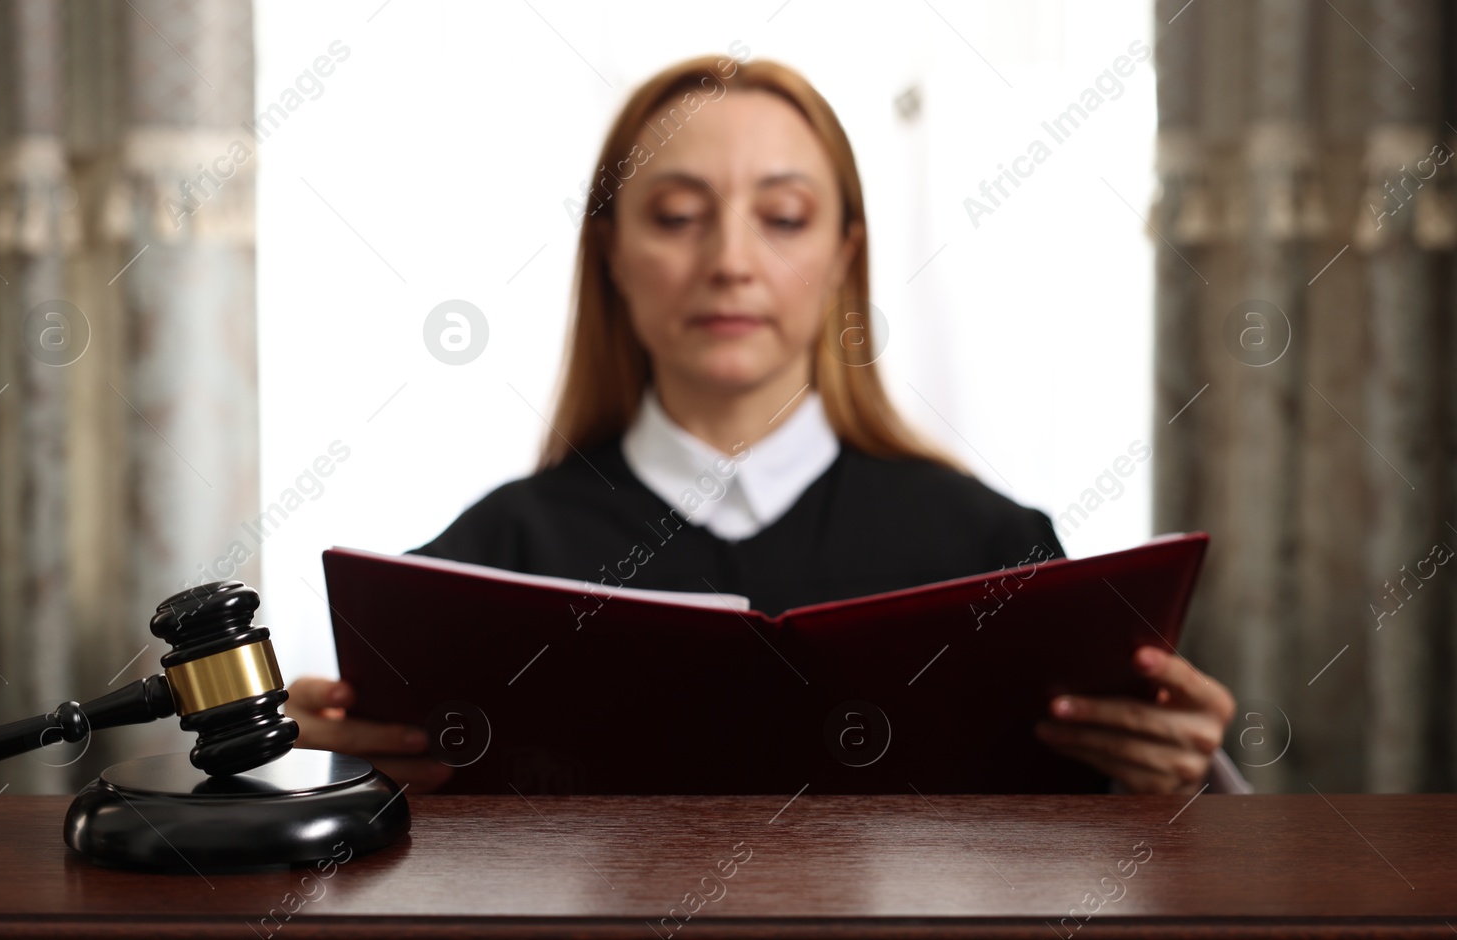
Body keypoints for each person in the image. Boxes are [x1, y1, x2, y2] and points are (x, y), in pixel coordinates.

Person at [287, 54, 1248, 796]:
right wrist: (350, 775)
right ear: (610, 256)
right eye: (675, 215)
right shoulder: (483, 563)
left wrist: (1182, 776)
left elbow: (1115, 870)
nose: (731, 260)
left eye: (783, 216)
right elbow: (365, 872)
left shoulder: (996, 550)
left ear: (843, 256)